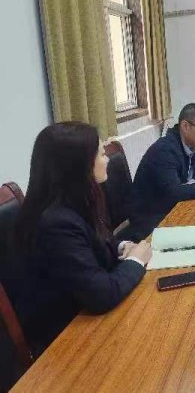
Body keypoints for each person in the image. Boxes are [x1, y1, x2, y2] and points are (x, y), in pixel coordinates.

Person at [4, 122, 152, 354]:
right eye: (101, 154)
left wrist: (121, 247)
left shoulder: (74, 201)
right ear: (79, 166)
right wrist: (136, 260)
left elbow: (90, 243)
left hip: (85, 311)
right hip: (68, 337)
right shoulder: (55, 223)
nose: (107, 160)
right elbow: (102, 295)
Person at [126, 103, 195, 240]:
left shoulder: (192, 145)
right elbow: (174, 193)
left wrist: (191, 185)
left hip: (175, 207)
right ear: (185, 126)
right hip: (152, 219)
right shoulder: (164, 150)